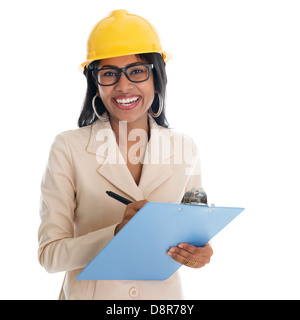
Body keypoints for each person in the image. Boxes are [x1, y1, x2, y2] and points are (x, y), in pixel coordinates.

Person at [38, 9, 213, 300]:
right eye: (109, 73)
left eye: (136, 71)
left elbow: (191, 239)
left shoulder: (185, 148)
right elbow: (49, 256)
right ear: (95, 82)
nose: (123, 86)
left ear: (157, 77)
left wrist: (197, 255)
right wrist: (116, 233)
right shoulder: (68, 148)